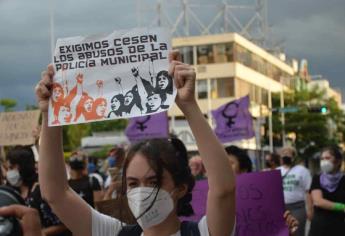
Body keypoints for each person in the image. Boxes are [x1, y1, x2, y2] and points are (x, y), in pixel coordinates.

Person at [35, 50, 236, 236]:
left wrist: (189, 106)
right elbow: (56, 193)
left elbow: (223, 189)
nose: (142, 192)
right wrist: (51, 114)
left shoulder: (203, 232)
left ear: (181, 188)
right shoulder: (113, 233)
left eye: (153, 182)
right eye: (132, 183)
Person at [225, 145, 299, 235]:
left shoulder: (262, 200)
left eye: (229, 163)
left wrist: (287, 231)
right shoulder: (209, 198)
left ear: (244, 169)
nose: (222, 168)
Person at [6, 146, 70, 236]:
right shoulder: (10, 192)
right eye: (8, 168)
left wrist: (42, 233)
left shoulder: (43, 191)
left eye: (11, 168)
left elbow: (65, 223)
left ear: (23, 166)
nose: (8, 172)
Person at [308, 146, 345, 236]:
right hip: (319, 226)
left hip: (339, 226)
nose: (324, 161)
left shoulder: (343, 179)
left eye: (327, 158)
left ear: (338, 161)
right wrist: (342, 207)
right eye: (322, 159)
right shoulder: (317, 178)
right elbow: (318, 201)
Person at [277, 146, 313, 236]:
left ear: (293, 156)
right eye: (283, 153)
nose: (285, 154)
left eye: (288, 153)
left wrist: (309, 210)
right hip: (281, 208)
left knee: (297, 232)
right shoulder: (277, 171)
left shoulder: (302, 171)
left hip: (298, 208)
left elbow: (308, 191)